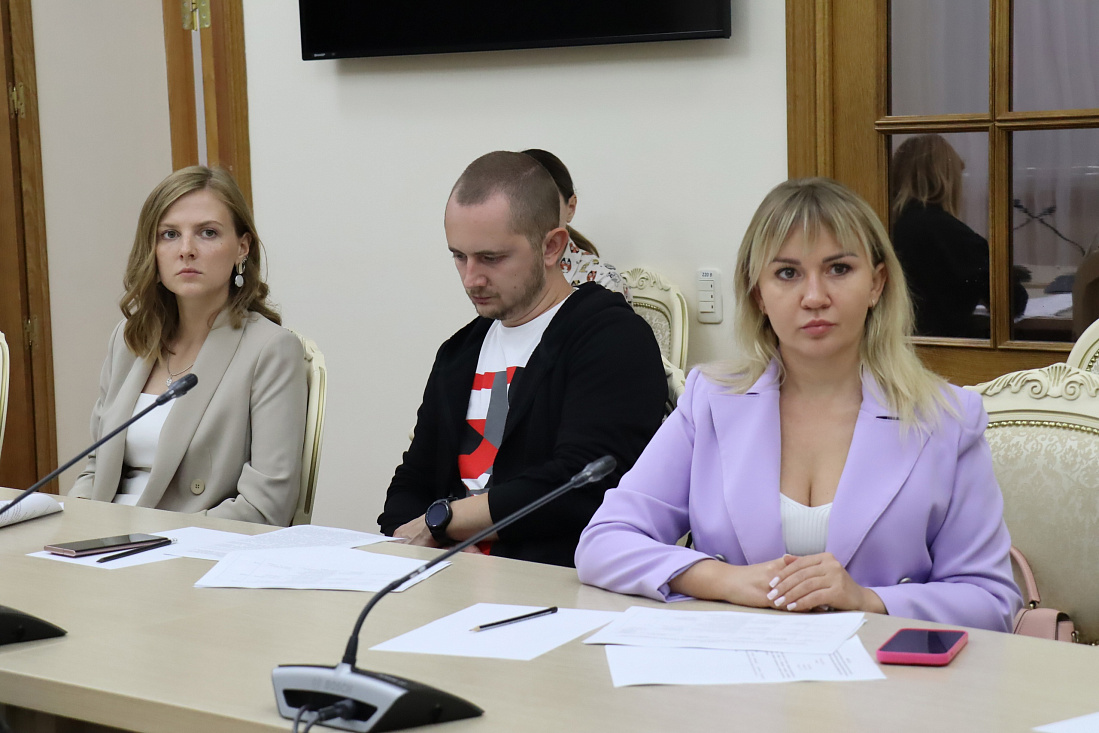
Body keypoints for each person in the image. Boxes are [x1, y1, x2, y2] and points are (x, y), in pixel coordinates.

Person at [575, 178, 1022, 632]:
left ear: (876, 284)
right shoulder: (711, 400)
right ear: (758, 294)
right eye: (787, 274)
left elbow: (991, 601)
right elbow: (604, 542)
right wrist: (728, 580)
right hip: (737, 664)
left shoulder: (947, 418)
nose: (814, 297)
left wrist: (868, 599)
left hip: (884, 668)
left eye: (839, 269)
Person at [378, 151, 666, 567]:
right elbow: (410, 484)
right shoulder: (459, 352)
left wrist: (446, 522)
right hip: (446, 578)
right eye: (459, 256)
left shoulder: (612, 338)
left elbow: (581, 486)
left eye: (491, 258)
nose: (471, 278)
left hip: (555, 584)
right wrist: (431, 543)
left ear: (551, 246)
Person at [68, 166, 307, 526]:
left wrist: (151, 538)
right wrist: (70, 521)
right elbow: (96, 468)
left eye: (208, 233)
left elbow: (265, 507)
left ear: (242, 247)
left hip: (189, 545)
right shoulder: (130, 339)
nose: (186, 250)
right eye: (170, 234)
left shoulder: (271, 350)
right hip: (102, 537)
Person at [890, 134, 1028, 337]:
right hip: (947, 347)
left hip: (894, 344)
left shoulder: (886, 223)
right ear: (947, 179)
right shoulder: (951, 234)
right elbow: (1012, 302)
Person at [520, 149, 631, 302]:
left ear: (571, 207)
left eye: (544, 202)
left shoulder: (603, 283)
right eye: (517, 204)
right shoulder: (497, 272)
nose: (529, 214)